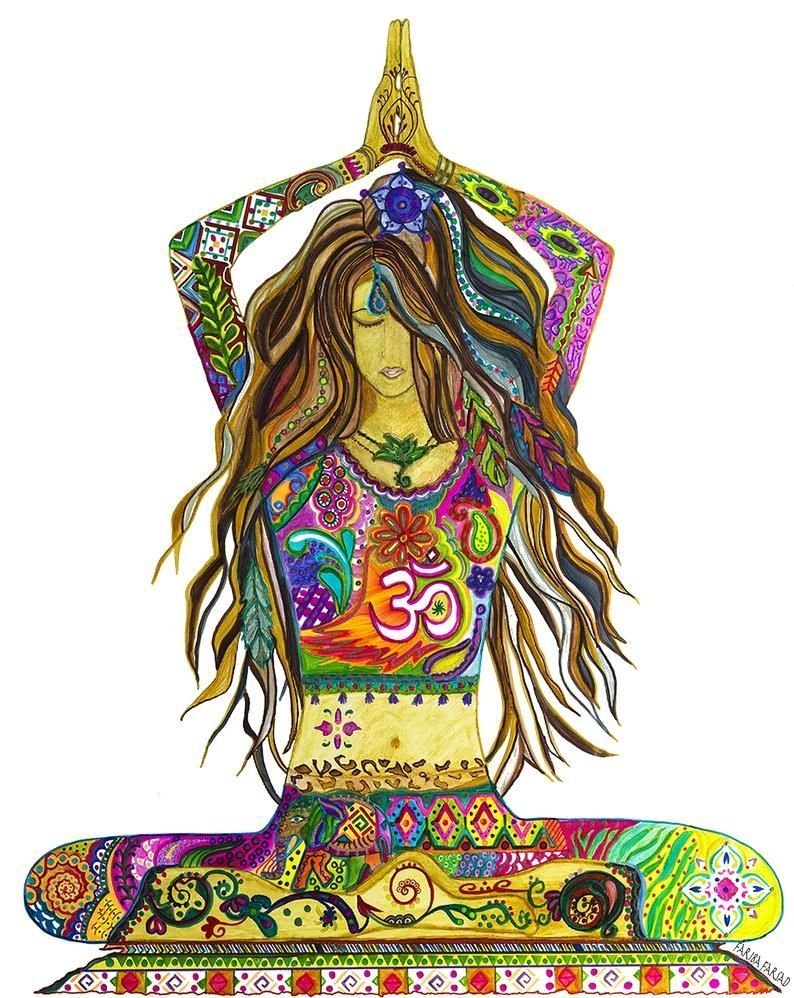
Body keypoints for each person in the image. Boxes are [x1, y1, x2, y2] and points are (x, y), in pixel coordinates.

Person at [24, 17, 781, 992]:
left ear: (444, 321)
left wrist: (440, 169)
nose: (388, 346)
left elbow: (580, 265)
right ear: (334, 325)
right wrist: (350, 166)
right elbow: (195, 258)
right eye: (364, 317)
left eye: (409, 317)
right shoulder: (287, 454)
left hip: (471, 829)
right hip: (313, 838)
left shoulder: (497, 452)